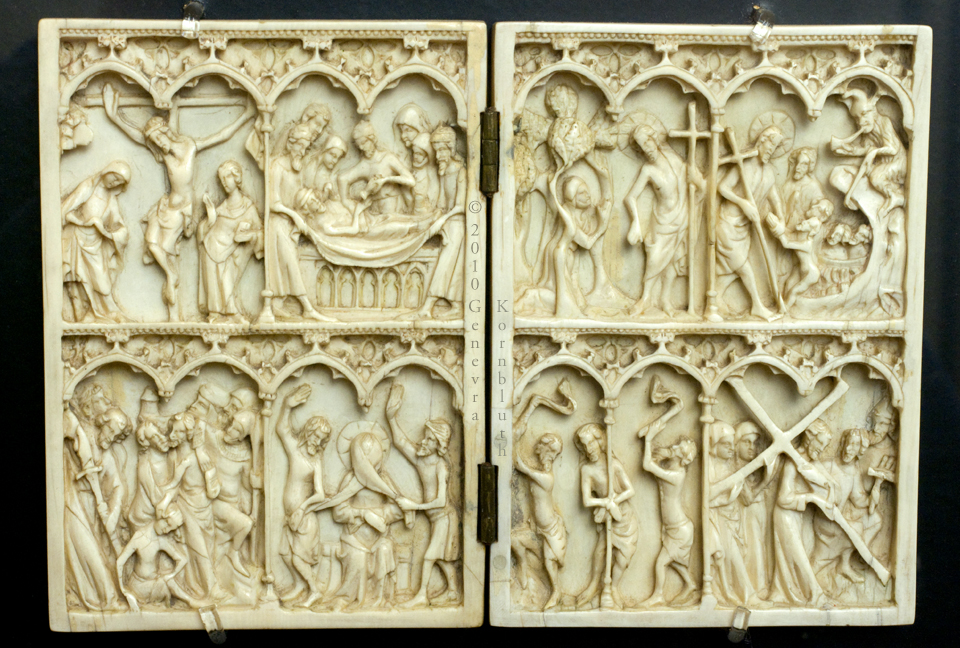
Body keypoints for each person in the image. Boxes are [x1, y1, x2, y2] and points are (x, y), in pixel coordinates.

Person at [102, 83, 255, 318]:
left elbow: (220, 136)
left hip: (182, 209)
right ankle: (170, 275)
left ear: (166, 132)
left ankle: (174, 306)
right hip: (166, 205)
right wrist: (114, 117)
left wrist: (246, 116)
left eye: (159, 137)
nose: (159, 144)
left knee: (167, 249)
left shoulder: (189, 147)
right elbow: (137, 136)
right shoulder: (164, 155)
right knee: (151, 243)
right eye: (154, 141)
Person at [385, 383, 460, 607]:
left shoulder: (440, 467)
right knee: (443, 559)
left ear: (439, 445)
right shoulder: (421, 460)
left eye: (429, 440)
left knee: (429, 557)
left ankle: (422, 596)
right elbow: (400, 442)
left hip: (444, 518)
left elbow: (441, 501)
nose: (423, 442)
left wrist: (413, 505)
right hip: (436, 519)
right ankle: (453, 592)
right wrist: (390, 417)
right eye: (424, 438)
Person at [623, 124, 702, 315]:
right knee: (654, 258)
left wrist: (698, 181)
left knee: (674, 260)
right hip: (662, 221)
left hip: (683, 216)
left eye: (648, 142)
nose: (647, 149)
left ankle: (665, 300)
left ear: (655, 140)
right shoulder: (648, 170)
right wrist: (635, 223)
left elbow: (698, 183)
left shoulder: (675, 159)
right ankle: (645, 299)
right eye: (641, 146)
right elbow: (630, 197)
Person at [716, 123, 789, 319]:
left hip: (745, 227)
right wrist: (743, 204)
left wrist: (781, 220)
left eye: (775, 148)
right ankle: (757, 305)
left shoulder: (769, 172)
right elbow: (722, 187)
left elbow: (775, 199)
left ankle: (715, 298)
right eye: (770, 145)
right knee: (744, 267)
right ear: (761, 141)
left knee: (732, 267)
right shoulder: (744, 165)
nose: (772, 151)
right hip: (728, 223)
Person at [275, 384, 332, 606]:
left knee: (299, 559)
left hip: (305, 519)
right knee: (285, 554)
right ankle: (300, 586)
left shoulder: (315, 460)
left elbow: (320, 494)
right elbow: (281, 429)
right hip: (292, 517)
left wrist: (302, 508)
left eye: (321, 438)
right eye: (315, 435)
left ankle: (314, 590)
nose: (316, 440)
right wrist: (287, 406)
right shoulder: (295, 450)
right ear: (308, 431)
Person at [267, 123, 330, 321]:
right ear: (290, 144)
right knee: (290, 263)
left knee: (286, 264)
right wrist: (294, 216)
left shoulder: (298, 168)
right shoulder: (277, 166)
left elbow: (299, 196)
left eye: (306, 147)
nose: (302, 151)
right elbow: (273, 203)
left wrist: (319, 197)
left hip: (291, 224)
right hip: (277, 223)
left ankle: (277, 305)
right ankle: (307, 308)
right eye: (300, 146)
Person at [770, 420, 834, 606]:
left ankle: (783, 593)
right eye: (820, 443)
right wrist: (810, 498)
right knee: (798, 557)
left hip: (798, 517)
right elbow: (783, 498)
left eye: (825, 446)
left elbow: (827, 486)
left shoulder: (810, 463)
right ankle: (816, 595)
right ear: (810, 437)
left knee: (793, 557)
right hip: (785, 515)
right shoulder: (793, 461)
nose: (821, 449)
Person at [574, 423, 638, 609]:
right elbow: (587, 500)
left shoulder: (614, 465)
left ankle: (614, 587)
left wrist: (614, 500)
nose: (588, 449)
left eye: (591, 444)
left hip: (624, 517)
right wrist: (604, 502)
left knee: (624, 557)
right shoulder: (587, 470)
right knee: (601, 549)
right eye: (584, 446)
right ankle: (595, 585)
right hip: (607, 515)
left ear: (600, 442)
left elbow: (630, 490)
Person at [61, 161, 130, 323]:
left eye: (119, 182)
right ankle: (83, 316)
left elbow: (118, 225)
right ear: (107, 171)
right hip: (76, 239)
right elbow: (65, 211)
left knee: (102, 282)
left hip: (96, 244)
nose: (114, 183)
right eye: (115, 177)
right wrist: (85, 222)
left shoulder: (110, 199)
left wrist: (108, 232)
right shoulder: (87, 188)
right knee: (77, 280)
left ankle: (107, 312)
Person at [767, 147, 834, 308]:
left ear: (809, 167)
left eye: (803, 164)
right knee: (783, 272)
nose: (798, 167)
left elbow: (818, 215)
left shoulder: (813, 187)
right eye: (797, 163)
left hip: (798, 233)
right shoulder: (789, 183)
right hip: (786, 227)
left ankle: (785, 307)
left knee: (791, 272)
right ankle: (780, 304)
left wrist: (794, 228)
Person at [198, 161, 263, 323]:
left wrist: (248, 235)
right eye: (222, 179)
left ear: (237, 177)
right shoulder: (222, 207)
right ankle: (215, 313)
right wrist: (211, 218)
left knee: (227, 273)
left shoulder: (248, 207)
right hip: (211, 247)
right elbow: (202, 229)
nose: (224, 182)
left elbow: (260, 231)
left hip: (232, 251)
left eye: (227, 177)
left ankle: (232, 312)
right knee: (215, 279)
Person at [641, 434, 698, 606]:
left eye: (678, 448)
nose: (674, 447)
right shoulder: (669, 469)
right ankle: (690, 584)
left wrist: (648, 439)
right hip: (672, 527)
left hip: (680, 529)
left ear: (683, 459)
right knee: (674, 560)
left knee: (661, 563)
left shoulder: (677, 475)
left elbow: (647, 465)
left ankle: (658, 595)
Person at [511, 433, 566, 609]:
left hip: (551, 529)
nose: (535, 449)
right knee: (514, 540)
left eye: (539, 447)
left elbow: (521, 466)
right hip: (538, 528)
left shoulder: (547, 478)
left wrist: (514, 440)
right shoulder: (541, 474)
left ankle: (556, 592)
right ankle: (522, 566)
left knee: (550, 562)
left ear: (547, 452)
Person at [116, 506, 201, 610]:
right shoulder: (139, 537)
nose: (167, 530)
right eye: (167, 524)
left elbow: (182, 559)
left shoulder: (160, 540)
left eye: (171, 529)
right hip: (138, 586)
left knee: (167, 581)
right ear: (160, 517)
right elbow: (120, 562)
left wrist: (171, 575)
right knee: (166, 582)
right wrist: (123, 589)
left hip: (154, 583)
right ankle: (190, 601)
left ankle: (190, 601)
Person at [708, 421, 754, 605]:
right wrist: (727, 494)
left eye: (732, 444)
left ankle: (741, 593)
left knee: (737, 556)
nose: (731, 448)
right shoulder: (709, 466)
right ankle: (748, 595)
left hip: (734, 519)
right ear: (714, 444)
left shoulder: (729, 466)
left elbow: (747, 498)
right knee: (731, 557)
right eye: (725, 444)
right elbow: (707, 497)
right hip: (718, 520)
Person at [337, 120, 415, 223]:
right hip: (373, 210)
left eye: (364, 143)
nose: (361, 148)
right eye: (358, 145)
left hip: (392, 207)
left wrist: (386, 180)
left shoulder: (387, 158)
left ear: (372, 139)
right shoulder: (364, 164)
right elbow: (342, 179)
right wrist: (345, 201)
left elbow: (410, 180)